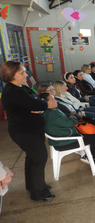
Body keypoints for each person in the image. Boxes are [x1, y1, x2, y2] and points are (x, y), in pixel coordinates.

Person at [0, 61, 55, 201]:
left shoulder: (19, 87)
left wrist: (38, 104)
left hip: (31, 130)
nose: (26, 74)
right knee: (39, 158)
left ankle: (33, 185)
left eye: (25, 71)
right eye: (22, 73)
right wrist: (42, 104)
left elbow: (36, 98)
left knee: (32, 157)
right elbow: (37, 103)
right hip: (25, 132)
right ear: (11, 75)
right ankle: (39, 193)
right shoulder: (13, 91)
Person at [41, 93, 95, 167]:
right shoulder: (52, 115)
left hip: (64, 137)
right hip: (64, 142)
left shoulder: (50, 111)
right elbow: (69, 123)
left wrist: (75, 116)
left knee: (92, 134)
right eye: (53, 100)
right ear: (45, 103)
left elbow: (66, 115)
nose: (56, 101)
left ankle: (89, 155)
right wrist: (74, 118)